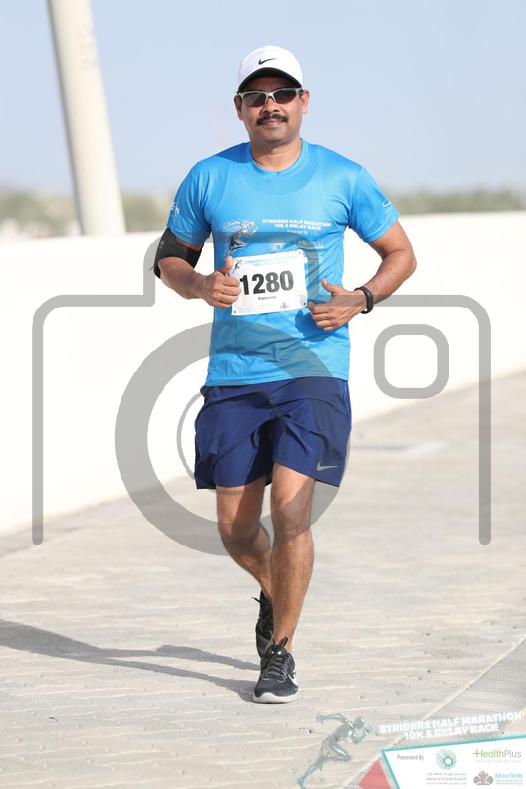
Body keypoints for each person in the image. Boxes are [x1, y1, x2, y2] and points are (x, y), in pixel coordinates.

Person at [153, 44, 417, 703]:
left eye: (282, 94)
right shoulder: (210, 177)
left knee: (291, 512)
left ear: (303, 102)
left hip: (314, 368)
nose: (270, 105)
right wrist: (198, 285)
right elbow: (170, 257)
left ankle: (281, 652)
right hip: (234, 372)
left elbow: (400, 253)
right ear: (239, 108)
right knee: (235, 528)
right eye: (257, 96)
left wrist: (362, 298)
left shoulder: (343, 177)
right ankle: (275, 591)